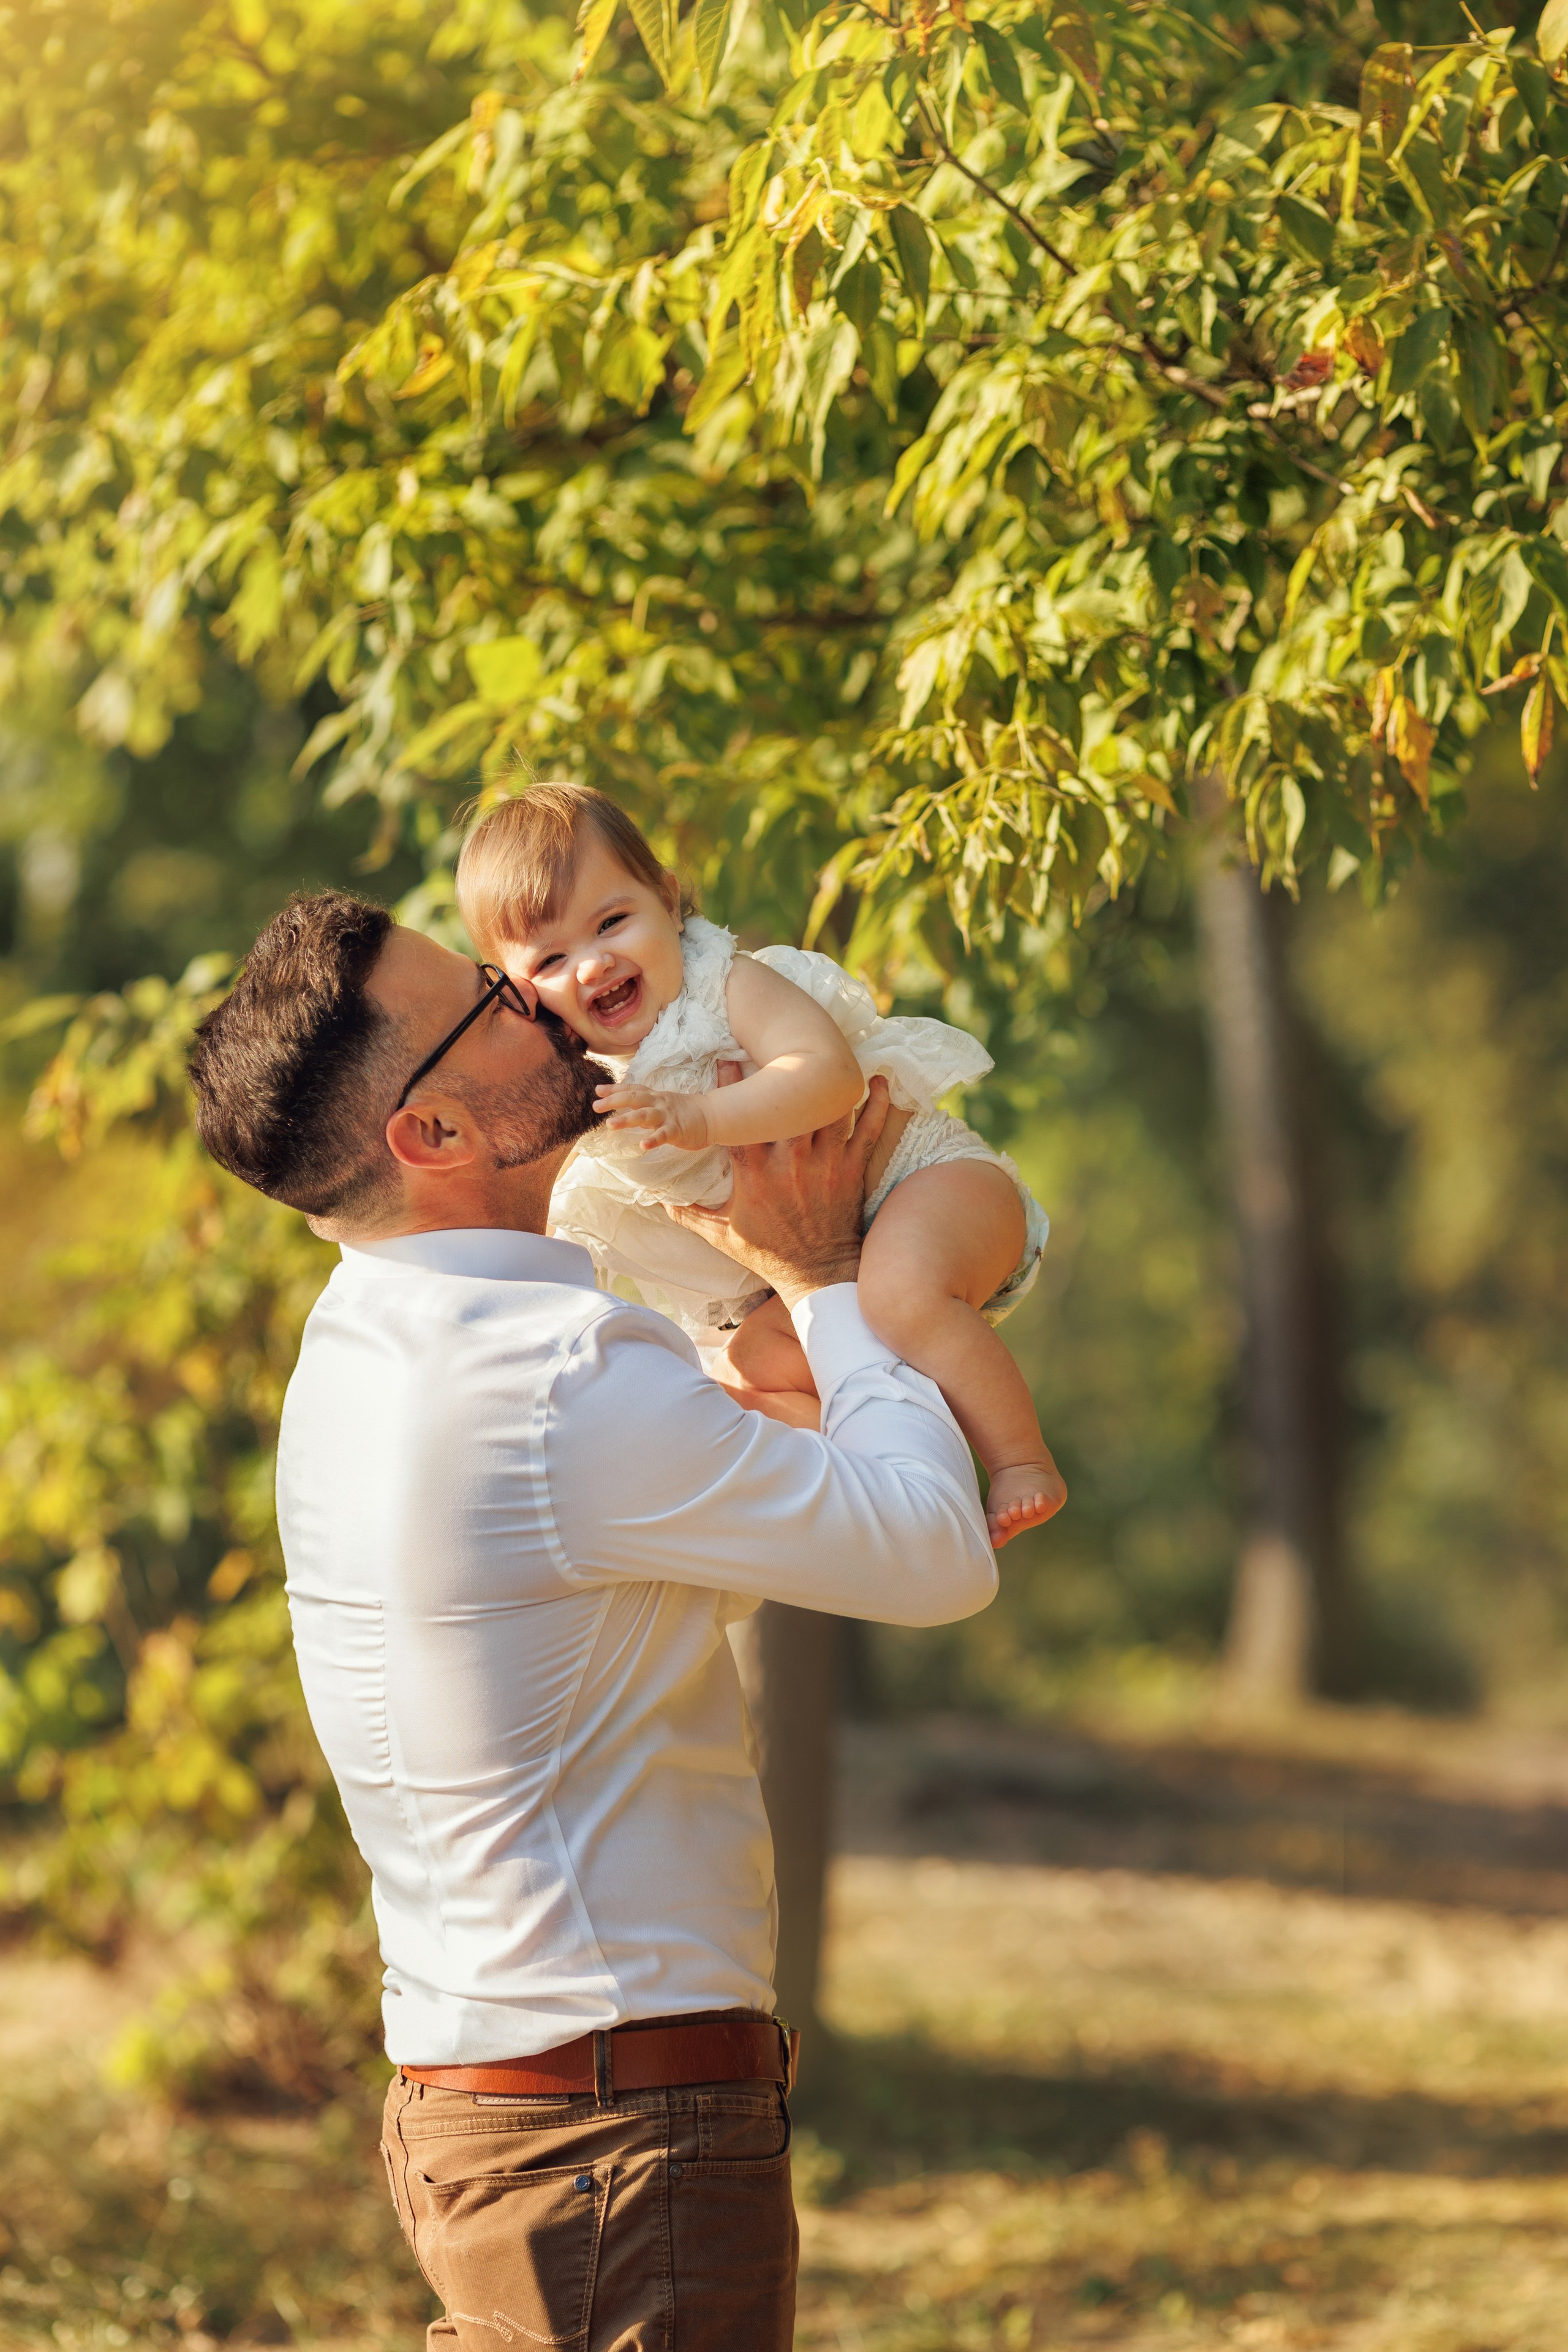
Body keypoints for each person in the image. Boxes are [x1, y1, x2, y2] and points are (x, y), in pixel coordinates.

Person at [186, 886, 998, 2352]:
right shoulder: (556, 1372)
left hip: (495, 2111)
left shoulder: (360, 1346)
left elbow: (682, 1564)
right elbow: (936, 1553)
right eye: (489, 1000)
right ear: (431, 1134)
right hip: (616, 2136)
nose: (542, 992)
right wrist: (824, 1275)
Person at [456, 783, 1068, 1547]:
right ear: (518, 992)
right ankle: (868, 1497)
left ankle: (1020, 1461)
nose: (593, 963)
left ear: (668, 900)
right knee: (747, 1369)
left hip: (929, 1186)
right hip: (822, 1267)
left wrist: (701, 1116)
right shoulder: (579, 1082)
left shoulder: (724, 983)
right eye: (551, 959)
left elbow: (827, 1075)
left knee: (900, 1297)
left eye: (612, 922)